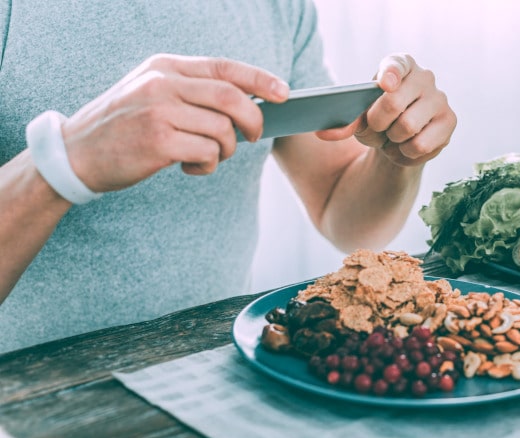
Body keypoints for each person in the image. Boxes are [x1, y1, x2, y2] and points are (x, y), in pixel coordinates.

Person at [0, 0, 457, 353]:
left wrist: (397, 156)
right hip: (30, 409)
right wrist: (63, 162)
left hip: (214, 375)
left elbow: (344, 214)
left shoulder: (277, 8)